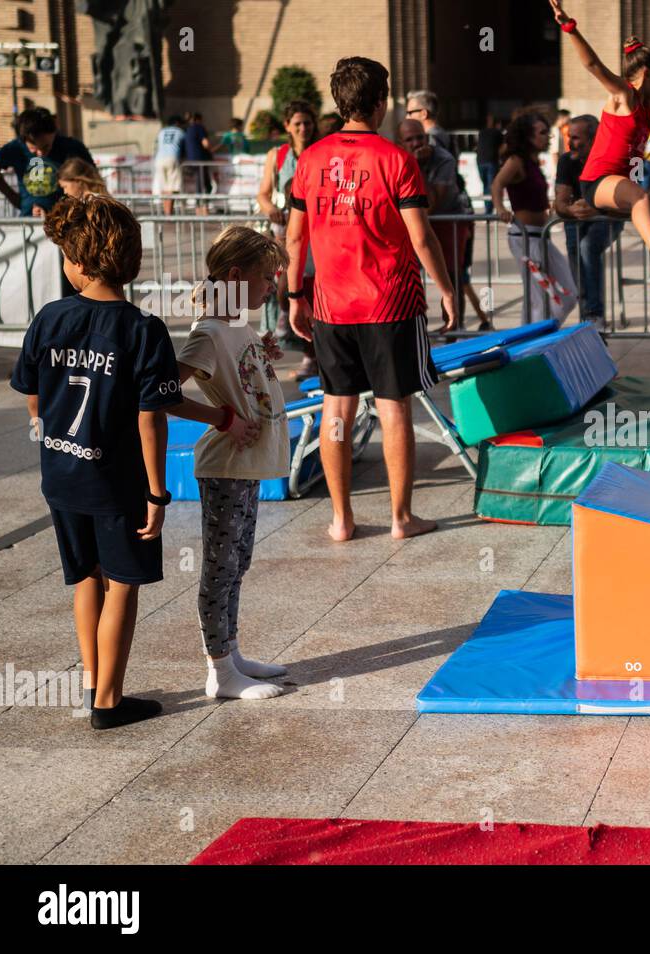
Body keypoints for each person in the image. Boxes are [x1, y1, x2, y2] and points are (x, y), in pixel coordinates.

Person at [10, 195, 182, 729]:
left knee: (86, 578)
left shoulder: (50, 318)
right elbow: (152, 420)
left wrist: (51, 433)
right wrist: (158, 492)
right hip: (116, 483)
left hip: (61, 476)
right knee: (122, 585)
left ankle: (91, 684)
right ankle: (109, 701)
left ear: (79, 262)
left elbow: (33, 395)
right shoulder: (142, 329)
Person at [286, 56, 456, 542]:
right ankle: (401, 518)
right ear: (380, 102)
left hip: (331, 305)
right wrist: (445, 289)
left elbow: (294, 240)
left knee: (336, 409)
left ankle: (342, 519)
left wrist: (296, 295)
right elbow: (421, 238)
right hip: (390, 303)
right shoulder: (395, 159)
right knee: (393, 407)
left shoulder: (310, 159)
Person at [171, 226, 292, 700]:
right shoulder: (208, 332)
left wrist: (263, 354)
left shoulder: (237, 323)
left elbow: (241, 371)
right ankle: (219, 672)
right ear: (237, 275)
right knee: (220, 566)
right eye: (267, 277)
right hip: (224, 465)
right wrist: (221, 418)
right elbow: (162, 392)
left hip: (244, 465)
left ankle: (231, 653)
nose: (273, 287)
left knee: (238, 561)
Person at [552, 0, 650, 269]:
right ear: (646, 73)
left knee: (639, 197)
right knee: (639, 196)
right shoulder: (624, 96)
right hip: (596, 181)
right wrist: (570, 28)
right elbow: (593, 65)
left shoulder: (648, 105)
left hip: (616, 179)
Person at [492, 112, 578, 324]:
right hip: (525, 238)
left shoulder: (533, 162)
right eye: (542, 133)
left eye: (548, 132)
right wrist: (500, 208)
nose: (548, 137)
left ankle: (532, 339)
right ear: (527, 136)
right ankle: (532, 345)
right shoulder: (516, 161)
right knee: (539, 299)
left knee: (567, 295)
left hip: (539, 236)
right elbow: (496, 184)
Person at [257, 100, 319, 378]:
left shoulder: (321, 152)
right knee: (282, 289)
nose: (303, 128)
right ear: (287, 127)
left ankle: (313, 355)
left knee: (311, 292)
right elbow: (263, 193)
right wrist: (270, 209)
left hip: (314, 232)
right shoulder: (278, 155)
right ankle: (279, 350)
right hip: (284, 232)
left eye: (307, 122)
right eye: (297, 124)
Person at [399, 119, 472, 330]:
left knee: (450, 278)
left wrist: (415, 166)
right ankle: (413, 328)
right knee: (407, 276)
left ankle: (453, 329)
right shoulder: (396, 158)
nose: (416, 143)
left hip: (447, 220)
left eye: (420, 137)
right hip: (414, 222)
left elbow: (429, 204)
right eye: (409, 139)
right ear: (400, 143)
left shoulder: (443, 159)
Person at [555, 114, 622, 324]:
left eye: (576, 138)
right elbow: (559, 202)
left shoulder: (611, 159)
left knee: (588, 246)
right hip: (575, 219)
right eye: (569, 137)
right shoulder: (567, 160)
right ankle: (587, 313)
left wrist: (594, 207)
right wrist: (571, 209)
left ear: (594, 139)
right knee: (576, 252)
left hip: (608, 216)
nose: (570, 142)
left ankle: (594, 312)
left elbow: (625, 199)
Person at [0, 106, 95, 217]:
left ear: (54, 132)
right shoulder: (15, 148)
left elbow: (94, 180)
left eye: (45, 147)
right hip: (29, 223)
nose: (40, 153)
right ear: (23, 140)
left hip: (67, 221)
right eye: (33, 149)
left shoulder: (72, 147)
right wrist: (14, 198)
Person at [152, 115, 187, 214]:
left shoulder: (162, 131)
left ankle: (166, 211)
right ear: (177, 123)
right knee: (172, 187)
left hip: (159, 159)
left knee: (164, 187)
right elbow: (184, 148)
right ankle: (169, 213)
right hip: (172, 158)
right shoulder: (180, 132)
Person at [404, 89, 454, 157]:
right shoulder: (443, 134)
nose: (407, 117)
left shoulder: (430, 140)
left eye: (409, 113)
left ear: (423, 114)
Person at [184, 111, 214, 208]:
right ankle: (201, 206)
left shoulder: (188, 129)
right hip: (200, 159)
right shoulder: (199, 127)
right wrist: (211, 151)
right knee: (203, 185)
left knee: (204, 184)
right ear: (199, 119)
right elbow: (205, 143)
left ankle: (201, 205)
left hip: (191, 160)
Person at [476, 114, 504, 212]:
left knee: (486, 186)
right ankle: (488, 210)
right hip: (491, 161)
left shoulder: (482, 132)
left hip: (480, 161)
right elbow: (503, 148)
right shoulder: (497, 133)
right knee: (490, 186)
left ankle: (488, 209)